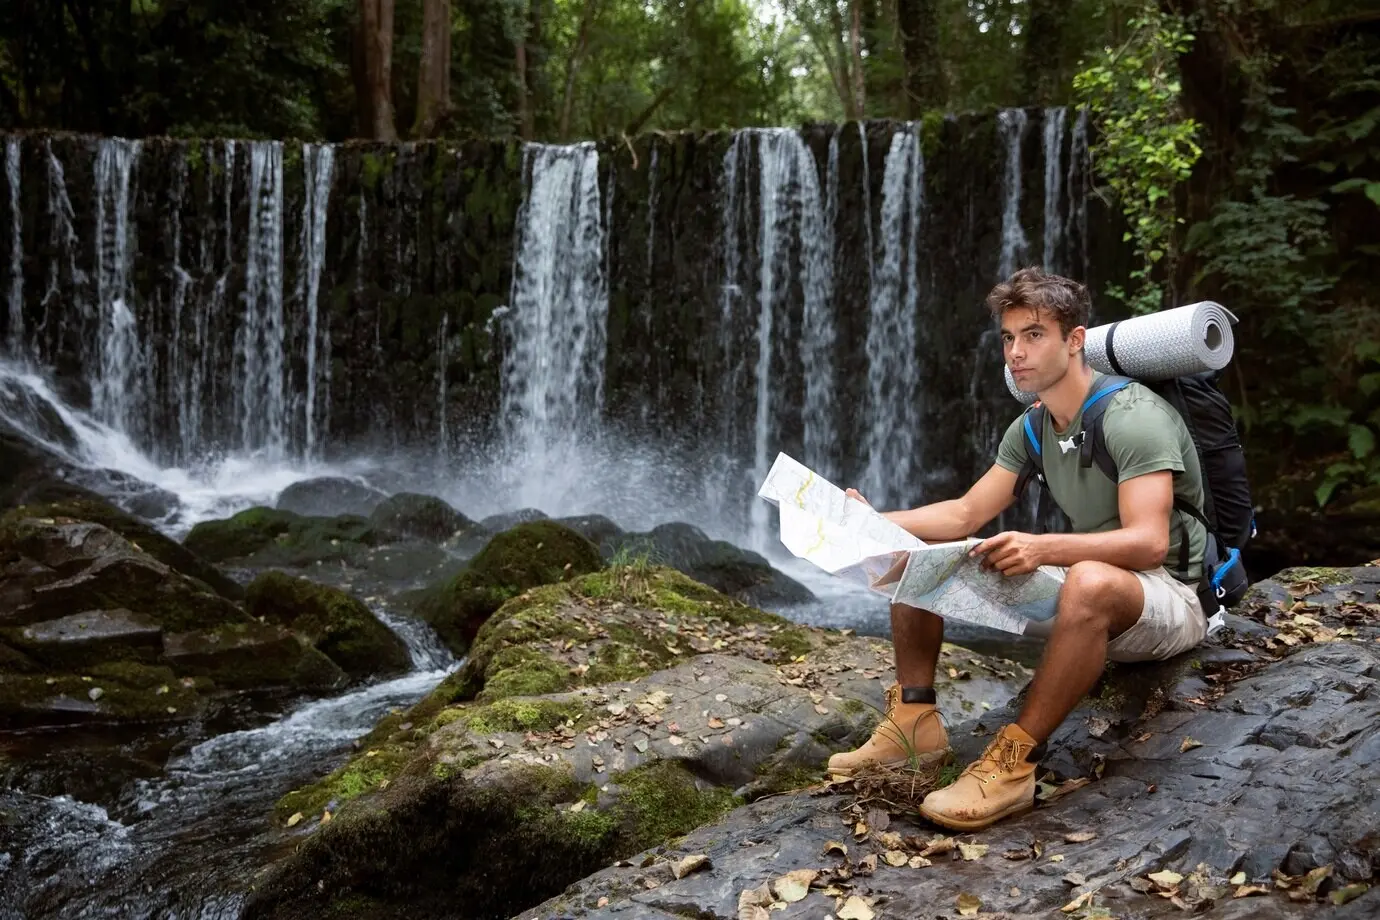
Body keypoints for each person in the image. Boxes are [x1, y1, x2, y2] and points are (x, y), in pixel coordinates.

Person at [827, 267, 1210, 832]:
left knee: (1090, 581)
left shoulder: (1134, 417)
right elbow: (964, 514)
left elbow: (1149, 544)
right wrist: (867, 520)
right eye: (1009, 338)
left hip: (1166, 597)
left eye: (1034, 335)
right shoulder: (1032, 427)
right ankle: (914, 721)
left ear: (1075, 340)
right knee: (919, 551)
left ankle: (1014, 764)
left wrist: (1043, 548)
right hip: (1085, 582)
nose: (1016, 353)